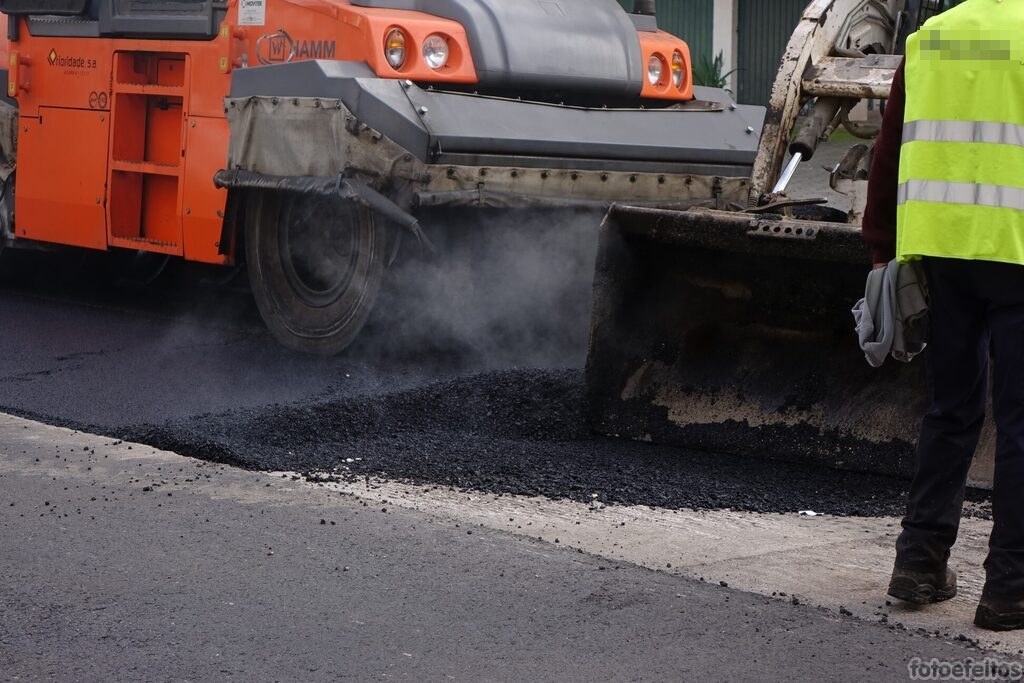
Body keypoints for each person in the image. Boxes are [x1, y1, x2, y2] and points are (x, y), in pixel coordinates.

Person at [862, 0, 1024, 631]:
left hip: (944, 250)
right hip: (1016, 250)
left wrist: (881, 250)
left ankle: (919, 562)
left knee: (952, 408)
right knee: (1019, 423)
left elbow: (888, 147)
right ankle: (1009, 588)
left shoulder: (932, 37)